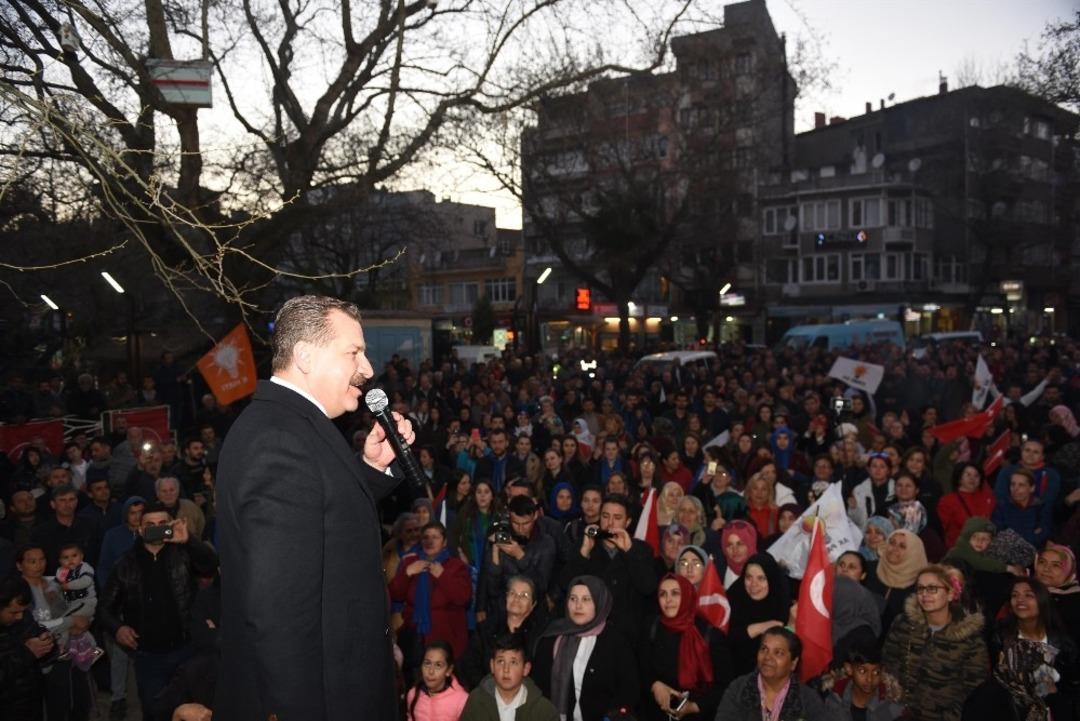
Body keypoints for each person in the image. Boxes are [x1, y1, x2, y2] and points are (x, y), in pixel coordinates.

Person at [214, 296, 415, 721]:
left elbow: (322, 513)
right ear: (305, 356)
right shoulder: (279, 441)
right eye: (354, 352)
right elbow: (280, 617)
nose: (366, 369)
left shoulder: (296, 427)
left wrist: (371, 468)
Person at [99, 504, 217, 721]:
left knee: (193, 711)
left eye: (163, 524)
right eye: (150, 525)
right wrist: (118, 628)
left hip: (188, 649)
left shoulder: (184, 553)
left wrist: (189, 539)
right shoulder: (125, 563)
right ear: (140, 530)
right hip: (148, 655)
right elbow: (105, 609)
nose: (156, 529)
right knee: (155, 713)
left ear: (171, 525)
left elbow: (209, 566)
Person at [882, 565, 988, 721]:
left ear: (950, 594)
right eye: (920, 589)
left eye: (932, 589)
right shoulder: (904, 624)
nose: (925, 594)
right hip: (899, 712)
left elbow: (974, 691)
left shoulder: (969, 639)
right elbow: (889, 662)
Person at [969, 576, 1080, 721]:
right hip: (1008, 709)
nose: (1020, 599)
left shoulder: (1063, 642)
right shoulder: (1000, 635)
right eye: (1015, 595)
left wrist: (1053, 693)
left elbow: (1072, 687)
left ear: (1042, 600)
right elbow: (998, 679)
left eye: (1028, 595)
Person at [532, 576, 638, 721]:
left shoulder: (616, 642)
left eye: (586, 599)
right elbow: (538, 688)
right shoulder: (552, 637)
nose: (578, 606)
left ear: (599, 602)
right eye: (573, 599)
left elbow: (628, 692)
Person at [561, 494, 658, 639]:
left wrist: (629, 552)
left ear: (628, 522)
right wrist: (584, 553)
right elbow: (565, 585)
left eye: (617, 518)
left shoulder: (642, 550)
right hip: (590, 630)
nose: (610, 523)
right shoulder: (585, 544)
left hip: (628, 634)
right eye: (605, 516)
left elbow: (648, 587)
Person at [639, 574, 732, 721]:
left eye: (675, 593)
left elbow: (726, 684)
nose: (668, 600)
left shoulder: (708, 632)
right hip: (656, 713)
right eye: (663, 594)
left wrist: (694, 706)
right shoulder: (652, 626)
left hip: (699, 715)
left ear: (688, 595)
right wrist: (654, 685)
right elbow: (640, 666)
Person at [390, 521, 473, 678]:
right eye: (426, 537)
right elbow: (394, 594)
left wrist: (442, 575)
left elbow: (463, 597)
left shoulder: (455, 566)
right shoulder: (410, 562)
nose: (430, 541)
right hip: (416, 640)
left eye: (435, 537)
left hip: (447, 641)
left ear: (444, 542)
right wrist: (407, 573)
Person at [97, 495, 144, 721]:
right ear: (125, 514)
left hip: (147, 605)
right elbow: (104, 568)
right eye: (133, 512)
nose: (137, 517)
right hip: (120, 604)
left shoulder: (151, 534)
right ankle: (118, 698)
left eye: (140, 512)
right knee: (120, 654)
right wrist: (113, 597)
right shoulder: (113, 536)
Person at [714, 627, 828, 721]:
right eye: (764, 649)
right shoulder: (739, 689)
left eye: (778, 653)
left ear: (793, 663)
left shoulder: (808, 699)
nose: (768, 657)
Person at [459, 575, 548, 690]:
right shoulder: (486, 628)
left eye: (524, 596)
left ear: (533, 604)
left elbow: (540, 674)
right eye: (512, 593)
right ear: (506, 597)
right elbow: (470, 664)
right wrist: (490, 689)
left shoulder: (540, 635)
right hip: (487, 693)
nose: (516, 599)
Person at [459, 632, 558, 721]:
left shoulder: (544, 710)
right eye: (500, 661)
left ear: (526, 669)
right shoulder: (477, 700)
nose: (506, 669)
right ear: (492, 666)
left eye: (513, 662)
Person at [726, 552, 794, 676]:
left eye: (761, 578)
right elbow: (724, 639)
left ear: (771, 579)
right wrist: (758, 628)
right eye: (749, 577)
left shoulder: (782, 604)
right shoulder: (733, 597)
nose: (753, 584)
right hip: (733, 679)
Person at [0, 575, 52, 720]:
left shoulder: (23, 617)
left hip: (30, 703)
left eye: (23, 610)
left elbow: (35, 632)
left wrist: (46, 643)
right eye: (13, 612)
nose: (19, 617)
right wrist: (27, 652)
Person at [823, 640, 905, 721]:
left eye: (876, 672)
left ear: (882, 671)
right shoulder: (832, 702)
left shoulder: (894, 710)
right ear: (849, 669)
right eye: (862, 671)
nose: (869, 679)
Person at [867, 529, 928, 635]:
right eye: (892, 543)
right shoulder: (869, 569)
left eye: (902, 546)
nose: (894, 549)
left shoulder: (921, 586)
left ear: (913, 553)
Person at [404, 640, 470, 721]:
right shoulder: (413, 694)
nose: (431, 671)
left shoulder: (461, 700)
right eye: (427, 663)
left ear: (449, 670)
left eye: (438, 665)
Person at [937, 463, 996, 549]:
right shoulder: (947, 501)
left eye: (976, 476)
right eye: (968, 474)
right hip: (960, 548)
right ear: (959, 478)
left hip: (986, 546)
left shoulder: (988, 498)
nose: (972, 478)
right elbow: (941, 529)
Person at [991, 467, 1051, 548]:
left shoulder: (1042, 507)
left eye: (1021, 485)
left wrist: (1014, 536)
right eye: (1013, 484)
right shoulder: (1002, 507)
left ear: (1032, 488)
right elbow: (998, 533)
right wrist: (1031, 534)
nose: (1015, 489)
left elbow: (1042, 535)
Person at [1034, 542, 1080, 639]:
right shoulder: (1025, 591)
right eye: (1042, 562)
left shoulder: (1075, 601)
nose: (1046, 569)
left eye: (1056, 565)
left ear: (1068, 570)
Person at [719, 520, 757, 589]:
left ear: (750, 545)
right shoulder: (719, 573)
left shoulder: (765, 573)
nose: (735, 550)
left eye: (740, 544)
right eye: (729, 545)